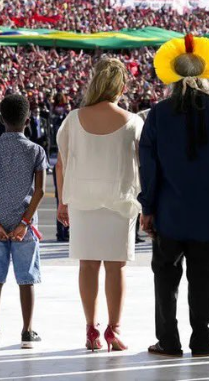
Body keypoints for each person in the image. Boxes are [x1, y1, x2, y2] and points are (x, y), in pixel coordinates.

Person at [139, 34, 209, 358]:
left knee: (166, 279)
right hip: (207, 212)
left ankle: (168, 340)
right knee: (203, 277)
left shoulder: (158, 114)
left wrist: (148, 207)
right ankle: (201, 339)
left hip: (169, 212)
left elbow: (149, 167)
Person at [56, 58, 143, 352]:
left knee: (88, 265)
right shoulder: (133, 122)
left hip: (81, 200)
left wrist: (62, 202)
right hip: (120, 201)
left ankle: (91, 329)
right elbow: (143, 165)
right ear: (121, 85)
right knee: (115, 268)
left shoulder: (73, 118)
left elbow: (62, 164)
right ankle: (113, 330)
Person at [0, 94, 48, 350]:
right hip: (24, 223)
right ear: (27, 120)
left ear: (1, 119)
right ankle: (27, 331)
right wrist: (25, 222)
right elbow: (39, 191)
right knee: (26, 277)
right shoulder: (36, 151)